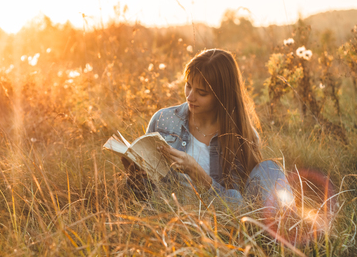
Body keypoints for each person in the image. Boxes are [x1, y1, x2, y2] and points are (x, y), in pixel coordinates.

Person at [122, 49, 295, 211]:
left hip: (224, 224)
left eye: (202, 93)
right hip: (175, 220)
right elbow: (147, 194)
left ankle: (287, 229)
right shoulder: (162, 121)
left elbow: (241, 207)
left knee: (270, 169)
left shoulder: (242, 136)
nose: (190, 97)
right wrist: (135, 175)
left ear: (222, 96)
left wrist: (200, 176)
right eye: (188, 86)